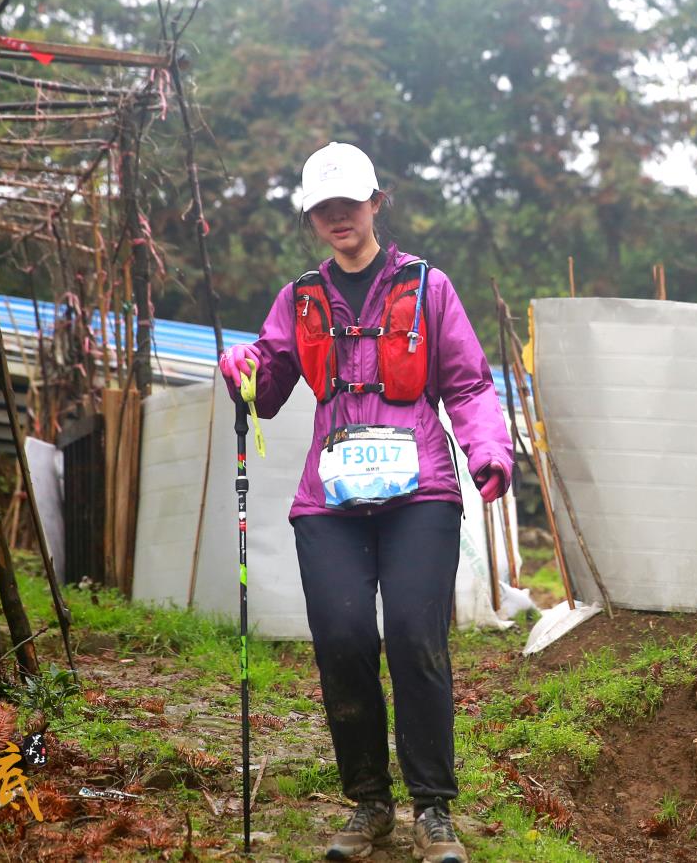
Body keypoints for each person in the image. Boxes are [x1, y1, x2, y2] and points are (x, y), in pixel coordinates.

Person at [218, 141, 511, 863]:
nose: (338, 215)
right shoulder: (300, 299)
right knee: (343, 640)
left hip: (421, 493)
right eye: (324, 206)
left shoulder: (428, 286)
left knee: (414, 635)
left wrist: (488, 450)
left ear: (377, 202)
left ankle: (433, 809)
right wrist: (243, 369)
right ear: (311, 216)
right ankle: (369, 802)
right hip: (330, 500)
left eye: (349, 201)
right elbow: (269, 386)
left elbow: (469, 383)